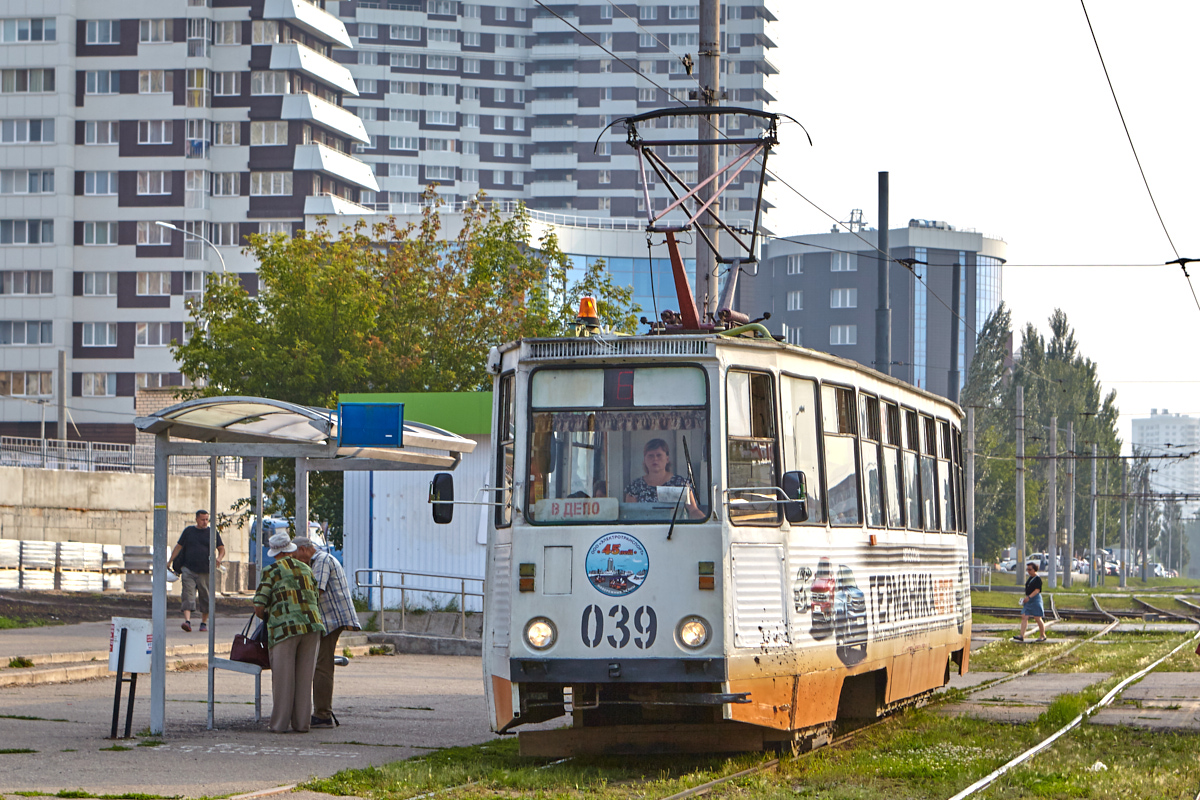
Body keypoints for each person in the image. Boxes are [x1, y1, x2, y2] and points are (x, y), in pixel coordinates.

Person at [253, 532, 325, 733]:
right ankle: (302, 724)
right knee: (304, 678)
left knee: (284, 679)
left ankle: (279, 725)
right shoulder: (306, 568)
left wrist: (268, 615)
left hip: (285, 629)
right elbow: (314, 596)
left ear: (275, 553)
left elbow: (259, 605)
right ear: (290, 550)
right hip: (312, 626)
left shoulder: (271, 571)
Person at [292, 536, 361, 729]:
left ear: (304, 549)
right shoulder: (320, 560)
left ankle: (322, 714)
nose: (295, 559)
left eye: (295, 554)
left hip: (331, 619)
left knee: (322, 666)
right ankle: (320, 711)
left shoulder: (321, 561)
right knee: (320, 664)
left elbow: (315, 590)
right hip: (326, 619)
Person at [167, 510, 225, 633]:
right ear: (196, 519)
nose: (205, 522)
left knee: (206, 597)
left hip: (206, 571)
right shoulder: (189, 531)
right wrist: (170, 561)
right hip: (189, 569)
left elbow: (221, 548)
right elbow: (178, 547)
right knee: (188, 594)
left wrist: (219, 559)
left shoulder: (212, 533)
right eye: (202, 519)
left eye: (207, 519)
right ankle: (187, 621)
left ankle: (203, 623)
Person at [623, 438, 703, 519]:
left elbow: (693, 510)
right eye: (650, 456)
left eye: (659, 455)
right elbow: (630, 515)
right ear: (644, 460)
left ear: (667, 459)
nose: (655, 459)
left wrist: (706, 521)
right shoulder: (635, 487)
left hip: (674, 530)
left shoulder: (681, 484)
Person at [1013, 562, 1047, 642]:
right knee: (1024, 616)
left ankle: (1042, 635)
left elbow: (1037, 590)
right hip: (1028, 599)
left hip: (1035, 599)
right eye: (1027, 569)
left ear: (1034, 569)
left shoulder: (1037, 578)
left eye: (1030, 569)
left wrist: (1029, 597)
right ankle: (1021, 635)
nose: (1028, 571)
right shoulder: (1030, 578)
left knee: (1037, 617)